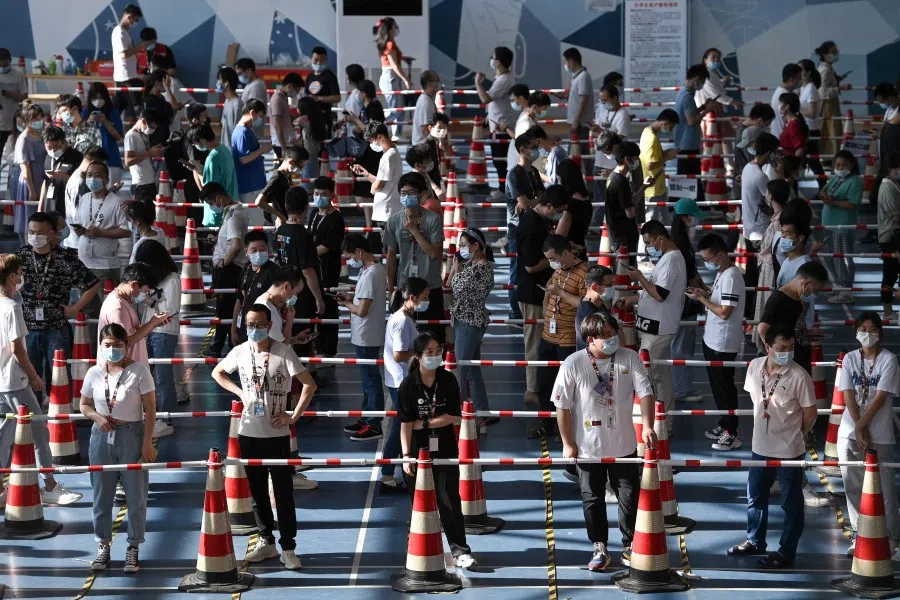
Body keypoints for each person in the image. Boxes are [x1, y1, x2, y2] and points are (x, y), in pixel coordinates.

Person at [212, 303, 316, 570]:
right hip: (248, 433)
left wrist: (293, 417)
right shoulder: (240, 352)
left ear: (269, 325)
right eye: (249, 325)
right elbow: (218, 372)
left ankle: (289, 547)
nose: (254, 330)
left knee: (282, 492)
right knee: (257, 493)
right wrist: (240, 393)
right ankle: (266, 541)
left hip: (277, 435)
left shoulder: (283, 352)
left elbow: (309, 385)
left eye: (259, 325)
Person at [554, 311, 657, 571]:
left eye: (614, 334)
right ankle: (599, 545)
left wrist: (647, 426)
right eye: (607, 337)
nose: (613, 340)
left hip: (624, 444)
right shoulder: (573, 363)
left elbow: (645, 392)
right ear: (590, 340)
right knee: (592, 497)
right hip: (588, 448)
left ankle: (630, 544)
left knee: (629, 495)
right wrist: (568, 442)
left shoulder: (629, 358)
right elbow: (562, 407)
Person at [726, 324, 816, 569]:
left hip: (789, 451)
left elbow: (811, 413)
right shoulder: (754, 367)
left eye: (790, 348)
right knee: (755, 498)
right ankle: (755, 541)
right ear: (767, 347)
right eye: (781, 348)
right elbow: (758, 400)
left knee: (791, 503)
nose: (786, 352)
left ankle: (787, 551)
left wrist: (796, 433)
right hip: (759, 447)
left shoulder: (800, 376)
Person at [0, 253, 82, 509]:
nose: (23, 276)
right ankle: (49, 485)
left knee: (4, 436)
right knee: (39, 430)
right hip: (15, 382)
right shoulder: (12, 308)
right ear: (12, 276)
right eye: (20, 272)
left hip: (2, 381)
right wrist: (35, 377)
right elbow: (18, 350)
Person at [80, 322, 156, 572]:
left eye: (118, 345)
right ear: (100, 346)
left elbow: (150, 409)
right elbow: (84, 405)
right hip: (101, 436)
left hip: (131, 435)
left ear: (127, 346)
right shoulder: (93, 373)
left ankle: (133, 546)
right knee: (102, 495)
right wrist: (98, 418)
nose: (113, 349)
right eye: (108, 345)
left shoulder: (139, 372)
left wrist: (147, 442)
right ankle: (103, 545)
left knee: (136, 496)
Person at [398, 331, 478, 570]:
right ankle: (418, 545)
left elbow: (453, 416)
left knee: (449, 499)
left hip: (444, 446)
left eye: (437, 351)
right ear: (418, 356)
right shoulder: (408, 385)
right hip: (416, 449)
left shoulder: (448, 380)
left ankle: (460, 550)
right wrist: (405, 456)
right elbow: (404, 423)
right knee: (420, 501)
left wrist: (423, 423)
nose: (435, 356)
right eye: (429, 352)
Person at [16, 212, 100, 398]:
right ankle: (34, 419)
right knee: (30, 377)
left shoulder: (66, 259)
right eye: (32, 232)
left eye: (40, 232)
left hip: (56, 328)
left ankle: (59, 416)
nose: (35, 236)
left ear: (52, 233)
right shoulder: (20, 257)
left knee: (59, 376)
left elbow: (92, 284)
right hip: (27, 328)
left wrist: (75, 308)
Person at [838, 311, 900, 559]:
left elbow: (880, 396)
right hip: (849, 434)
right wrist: (857, 428)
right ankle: (859, 534)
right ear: (856, 333)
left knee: (884, 490)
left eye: (873, 329)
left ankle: (892, 539)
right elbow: (848, 394)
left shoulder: (889, 360)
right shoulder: (850, 359)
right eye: (863, 329)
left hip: (880, 434)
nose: (868, 333)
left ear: (880, 333)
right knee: (853, 487)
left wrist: (862, 427)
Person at [626, 220, 687, 432]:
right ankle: (657, 421)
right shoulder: (666, 259)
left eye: (650, 242)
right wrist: (633, 300)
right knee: (653, 376)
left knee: (658, 377)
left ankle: (664, 423)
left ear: (660, 238)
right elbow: (652, 290)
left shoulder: (672, 261)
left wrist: (640, 277)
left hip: (659, 328)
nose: (649, 247)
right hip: (650, 326)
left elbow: (660, 294)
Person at [688, 234, 746, 450]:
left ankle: (732, 433)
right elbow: (719, 301)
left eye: (709, 258)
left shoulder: (732, 276)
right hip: (712, 339)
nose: (707, 263)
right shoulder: (723, 272)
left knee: (725, 389)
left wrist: (702, 299)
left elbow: (724, 312)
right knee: (718, 388)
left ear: (721, 254)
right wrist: (704, 293)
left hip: (723, 342)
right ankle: (724, 425)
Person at [533, 235, 589, 438]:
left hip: (568, 339)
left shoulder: (584, 273)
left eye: (553, 257)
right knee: (545, 382)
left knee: (568, 386)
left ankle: (566, 427)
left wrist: (561, 293)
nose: (550, 262)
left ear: (565, 253)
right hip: (548, 335)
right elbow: (552, 292)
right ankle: (546, 424)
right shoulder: (557, 270)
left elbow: (586, 305)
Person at [381, 277, 429, 494]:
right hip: (401, 381)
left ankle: (395, 471)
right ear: (412, 298)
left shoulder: (403, 318)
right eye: (424, 298)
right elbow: (399, 354)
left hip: (401, 380)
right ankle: (388, 475)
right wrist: (421, 352)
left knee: (401, 426)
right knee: (398, 429)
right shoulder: (401, 321)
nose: (426, 301)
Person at [338, 234, 387, 441]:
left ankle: (374, 423)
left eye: (350, 255)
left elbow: (363, 310)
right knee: (367, 380)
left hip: (367, 334)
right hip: (364, 334)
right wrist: (351, 299)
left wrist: (346, 305)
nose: (350, 260)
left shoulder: (372, 273)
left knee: (370, 381)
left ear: (359, 251)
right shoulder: (370, 269)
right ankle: (367, 417)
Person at [385, 172, 444, 340]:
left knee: (433, 338)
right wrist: (391, 289)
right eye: (403, 193)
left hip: (430, 288)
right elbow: (390, 257)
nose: (406, 197)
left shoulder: (433, 220)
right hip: (406, 289)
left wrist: (414, 230)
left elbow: (435, 253)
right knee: (405, 339)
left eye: (411, 193)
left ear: (422, 194)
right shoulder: (394, 220)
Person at [517, 191, 562, 406]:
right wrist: (557, 259)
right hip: (532, 293)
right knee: (533, 341)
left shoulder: (540, 221)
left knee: (542, 340)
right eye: (559, 211)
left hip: (543, 289)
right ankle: (532, 388)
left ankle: (541, 384)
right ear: (550, 206)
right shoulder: (530, 225)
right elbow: (531, 266)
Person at [449, 227, 495, 423]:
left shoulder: (481, 269)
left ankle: (456, 411)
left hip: (470, 323)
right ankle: (483, 411)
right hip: (464, 320)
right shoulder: (471, 265)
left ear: (476, 246)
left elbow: (455, 285)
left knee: (462, 368)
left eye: (464, 245)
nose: (461, 249)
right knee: (472, 369)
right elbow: (452, 282)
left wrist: (455, 268)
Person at [200, 182, 248, 357]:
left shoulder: (234, 216)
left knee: (225, 311)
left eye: (211, 202)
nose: (212, 206)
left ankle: (224, 348)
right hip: (230, 268)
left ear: (219, 198)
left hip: (229, 271)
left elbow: (235, 246)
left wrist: (224, 263)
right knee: (225, 310)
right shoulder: (231, 212)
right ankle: (221, 347)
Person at [758, 261, 829, 374]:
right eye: (815, 290)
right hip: (789, 365)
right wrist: (776, 355)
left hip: (799, 361)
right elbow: (763, 328)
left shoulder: (795, 298)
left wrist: (807, 332)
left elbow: (790, 326)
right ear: (806, 283)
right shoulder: (778, 299)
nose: (814, 294)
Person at [740, 132, 781, 320]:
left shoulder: (748, 169)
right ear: (770, 153)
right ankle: (755, 315)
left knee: (751, 276)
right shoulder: (760, 176)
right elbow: (773, 202)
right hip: (761, 232)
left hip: (749, 230)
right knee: (760, 278)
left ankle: (749, 313)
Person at [72, 161, 130, 289]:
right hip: (84, 262)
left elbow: (126, 231)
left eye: (97, 175)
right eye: (89, 175)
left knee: (105, 306)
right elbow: (79, 222)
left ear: (106, 179)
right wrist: (79, 230)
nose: (92, 178)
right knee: (87, 307)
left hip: (105, 265)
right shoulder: (84, 198)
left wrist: (101, 233)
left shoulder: (115, 202)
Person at [670, 198, 706, 405]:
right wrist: (701, 293)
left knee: (681, 345)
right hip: (685, 302)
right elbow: (690, 273)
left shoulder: (679, 238)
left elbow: (693, 271)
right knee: (682, 347)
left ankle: (681, 386)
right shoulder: (682, 243)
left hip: (683, 301)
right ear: (686, 218)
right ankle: (681, 389)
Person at [98, 262, 168, 366]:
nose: (145, 294)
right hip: (125, 373)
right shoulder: (117, 308)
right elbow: (126, 341)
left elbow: (131, 333)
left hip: (131, 370)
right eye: (145, 291)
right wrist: (152, 323)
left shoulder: (123, 301)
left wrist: (153, 324)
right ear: (134, 285)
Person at [752, 181, 793, 352]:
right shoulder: (776, 216)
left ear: (771, 195)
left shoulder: (779, 221)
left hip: (771, 269)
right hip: (767, 266)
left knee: (767, 309)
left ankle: (766, 345)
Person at [506, 133, 543, 320]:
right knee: (516, 268)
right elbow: (525, 203)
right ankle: (514, 311)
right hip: (517, 229)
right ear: (522, 150)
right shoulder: (514, 175)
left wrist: (531, 200)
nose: (536, 150)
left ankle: (526, 306)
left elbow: (540, 198)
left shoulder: (534, 172)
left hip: (534, 226)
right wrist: (533, 201)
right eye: (533, 147)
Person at [819, 149, 863, 304]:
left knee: (842, 257)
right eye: (837, 164)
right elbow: (824, 190)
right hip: (828, 223)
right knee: (831, 256)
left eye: (844, 165)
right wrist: (824, 196)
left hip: (843, 225)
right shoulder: (835, 177)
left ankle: (846, 289)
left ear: (851, 164)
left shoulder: (855, 180)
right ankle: (838, 285)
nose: (840, 167)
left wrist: (834, 202)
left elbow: (853, 203)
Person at [308, 177, 344, 358]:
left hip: (328, 269)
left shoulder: (336, 218)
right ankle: (316, 343)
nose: (319, 197)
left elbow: (328, 246)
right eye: (316, 194)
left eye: (323, 194)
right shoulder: (314, 214)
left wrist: (307, 254)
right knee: (315, 306)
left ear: (332, 195)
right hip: (313, 268)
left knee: (328, 306)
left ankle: (328, 349)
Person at [475, 46, 516, 200]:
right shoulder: (501, 79)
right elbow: (495, 103)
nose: (491, 60)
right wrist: (488, 115)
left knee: (500, 160)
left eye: (493, 57)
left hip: (502, 127)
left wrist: (478, 84)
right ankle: (504, 188)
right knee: (498, 158)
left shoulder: (504, 80)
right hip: (497, 125)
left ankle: (503, 189)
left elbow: (486, 98)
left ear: (498, 62)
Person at [352, 121, 401, 249]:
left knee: (387, 249)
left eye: (371, 140)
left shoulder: (388, 157)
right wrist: (366, 173)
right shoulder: (392, 153)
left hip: (386, 211)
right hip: (387, 209)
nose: (371, 144)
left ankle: (389, 269)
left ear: (380, 137)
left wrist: (373, 189)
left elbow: (378, 185)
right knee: (388, 248)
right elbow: (382, 180)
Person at [674, 65, 714, 206]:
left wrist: (702, 107)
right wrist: (707, 110)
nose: (702, 84)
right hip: (687, 144)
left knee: (689, 178)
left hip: (685, 143)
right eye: (702, 80)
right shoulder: (687, 96)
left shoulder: (684, 93)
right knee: (689, 179)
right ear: (697, 78)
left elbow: (688, 115)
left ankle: (690, 207)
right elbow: (691, 121)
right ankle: (688, 208)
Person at [590, 84, 631, 219]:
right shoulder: (602, 110)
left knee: (613, 199)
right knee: (598, 197)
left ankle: (607, 226)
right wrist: (595, 131)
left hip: (613, 163)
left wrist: (601, 132)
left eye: (605, 100)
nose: (603, 103)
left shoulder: (623, 114)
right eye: (601, 100)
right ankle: (597, 227)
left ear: (614, 98)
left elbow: (619, 139)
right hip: (599, 160)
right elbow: (595, 133)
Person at [230, 231, 278, 345]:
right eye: (254, 250)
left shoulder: (273, 272)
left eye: (262, 249)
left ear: (268, 249)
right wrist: (233, 328)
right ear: (246, 252)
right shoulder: (246, 268)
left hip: (264, 328)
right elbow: (239, 300)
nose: (259, 253)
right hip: (245, 326)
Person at [188, 122, 238, 227]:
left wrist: (196, 171)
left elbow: (208, 189)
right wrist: (200, 167)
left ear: (201, 140)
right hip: (231, 207)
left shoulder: (212, 158)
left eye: (194, 143)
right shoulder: (223, 149)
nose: (195, 146)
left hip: (218, 215)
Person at [605, 142, 647, 261]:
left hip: (618, 235)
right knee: (625, 274)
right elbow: (630, 213)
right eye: (636, 159)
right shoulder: (621, 183)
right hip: (624, 238)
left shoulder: (613, 176)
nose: (637, 162)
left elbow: (629, 201)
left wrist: (644, 187)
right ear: (628, 159)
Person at [639, 109, 680, 226]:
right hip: (652, 188)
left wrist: (666, 153)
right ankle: (649, 245)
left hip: (657, 186)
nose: (670, 130)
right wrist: (667, 158)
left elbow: (655, 157)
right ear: (665, 122)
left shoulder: (651, 133)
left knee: (664, 221)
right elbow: (649, 164)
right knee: (651, 223)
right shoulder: (650, 137)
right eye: (671, 127)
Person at [13, 101, 47, 243]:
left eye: (40, 117)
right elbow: (25, 169)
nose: (38, 121)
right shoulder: (24, 139)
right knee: (30, 218)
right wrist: (31, 190)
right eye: (34, 118)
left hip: (42, 179)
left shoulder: (40, 135)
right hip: (30, 182)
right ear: (27, 120)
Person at [231, 99, 270, 222]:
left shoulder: (246, 129)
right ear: (252, 112)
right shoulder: (242, 132)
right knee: (255, 222)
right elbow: (244, 159)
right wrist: (262, 150)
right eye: (260, 116)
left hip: (253, 184)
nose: (260, 120)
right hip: (250, 186)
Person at [374, 18, 411, 139]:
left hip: (392, 77)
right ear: (390, 29)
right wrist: (406, 79)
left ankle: (396, 136)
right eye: (394, 26)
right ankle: (375, 127)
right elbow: (393, 65)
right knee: (395, 110)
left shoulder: (390, 43)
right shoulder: (390, 44)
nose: (396, 29)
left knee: (400, 110)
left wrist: (403, 59)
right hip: (390, 78)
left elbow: (393, 61)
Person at [731, 105, 777, 202]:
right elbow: (753, 158)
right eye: (766, 125)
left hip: (743, 179)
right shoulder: (749, 136)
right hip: (746, 181)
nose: (766, 128)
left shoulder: (742, 129)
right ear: (760, 121)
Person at [254, 145, 308, 225]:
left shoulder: (287, 174)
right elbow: (259, 201)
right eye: (300, 167)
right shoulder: (277, 177)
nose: (301, 170)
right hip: (282, 224)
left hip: (289, 221)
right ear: (291, 162)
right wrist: (279, 216)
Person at [83, 83, 124, 184]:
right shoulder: (85, 112)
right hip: (90, 160)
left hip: (111, 159)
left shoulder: (113, 112)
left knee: (112, 192)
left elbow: (118, 137)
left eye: (101, 98)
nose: (98, 101)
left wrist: (106, 122)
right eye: (95, 98)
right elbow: (80, 136)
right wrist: (88, 122)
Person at [123, 107, 163, 209]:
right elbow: (128, 161)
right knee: (141, 217)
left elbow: (144, 154)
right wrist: (149, 153)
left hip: (150, 181)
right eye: (151, 127)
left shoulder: (143, 134)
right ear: (144, 121)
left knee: (150, 217)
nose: (152, 130)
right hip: (140, 184)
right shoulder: (131, 136)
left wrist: (153, 151)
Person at [37, 124, 81, 214]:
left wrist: (64, 176)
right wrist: (40, 207)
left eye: (56, 146)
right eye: (49, 147)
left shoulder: (76, 157)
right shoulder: (48, 157)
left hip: (68, 206)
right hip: (49, 204)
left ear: (63, 141)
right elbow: (45, 182)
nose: (53, 150)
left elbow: (82, 183)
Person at [816, 41, 850, 157]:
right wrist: (841, 87)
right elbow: (823, 92)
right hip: (828, 105)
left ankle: (831, 157)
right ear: (825, 55)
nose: (836, 54)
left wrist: (838, 79)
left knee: (832, 131)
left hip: (830, 104)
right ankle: (833, 158)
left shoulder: (827, 68)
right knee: (832, 132)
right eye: (833, 52)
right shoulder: (825, 70)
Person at [111, 4, 146, 117]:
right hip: (125, 78)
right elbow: (123, 54)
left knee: (120, 108)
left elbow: (130, 51)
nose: (135, 23)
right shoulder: (119, 32)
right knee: (137, 109)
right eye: (135, 20)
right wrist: (140, 46)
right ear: (129, 17)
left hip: (130, 75)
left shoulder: (126, 32)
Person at [877, 154, 900, 318]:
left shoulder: (894, 185)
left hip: (894, 235)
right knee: (890, 273)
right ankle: (887, 310)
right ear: (892, 169)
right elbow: (897, 215)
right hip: (891, 237)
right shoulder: (887, 188)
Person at [503, 91, 550, 172]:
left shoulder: (531, 115)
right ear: (535, 107)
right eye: (544, 109)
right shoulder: (525, 123)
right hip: (520, 162)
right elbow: (522, 144)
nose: (544, 112)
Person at [554, 160, 593, 255]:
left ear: (566, 179)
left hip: (569, 253)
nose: (558, 183)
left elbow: (559, 237)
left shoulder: (571, 205)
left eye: (560, 179)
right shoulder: (586, 198)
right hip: (581, 248)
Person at [797, 59, 825, 187]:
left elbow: (812, 113)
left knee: (813, 162)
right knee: (811, 161)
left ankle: (823, 187)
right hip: (805, 129)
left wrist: (796, 108)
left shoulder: (811, 89)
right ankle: (823, 187)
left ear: (808, 72)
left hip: (811, 130)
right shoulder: (803, 88)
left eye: (801, 69)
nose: (798, 73)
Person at [575, 265, 616, 352]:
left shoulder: (597, 304)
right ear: (594, 287)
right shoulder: (588, 313)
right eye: (609, 285)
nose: (613, 287)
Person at [561, 48, 593, 151]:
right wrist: (563, 96)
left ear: (571, 61)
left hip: (581, 124)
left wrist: (575, 121)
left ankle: (586, 168)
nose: (565, 64)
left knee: (582, 152)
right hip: (577, 124)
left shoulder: (583, 77)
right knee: (576, 151)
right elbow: (576, 97)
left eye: (565, 61)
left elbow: (583, 100)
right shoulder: (576, 77)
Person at [305, 47, 341, 138]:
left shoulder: (330, 76)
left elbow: (337, 97)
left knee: (323, 146)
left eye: (322, 61)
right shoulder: (309, 76)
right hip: (309, 118)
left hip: (324, 117)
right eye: (316, 60)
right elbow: (305, 94)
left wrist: (319, 98)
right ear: (311, 59)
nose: (318, 63)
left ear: (326, 60)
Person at [269, 73, 303, 165]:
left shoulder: (282, 98)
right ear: (289, 86)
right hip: (281, 144)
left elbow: (285, 119)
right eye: (296, 90)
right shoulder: (277, 100)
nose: (296, 94)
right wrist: (284, 148)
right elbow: (277, 125)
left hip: (286, 142)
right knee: (285, 172)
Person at [140, 69, 179, 149]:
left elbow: (172, 111)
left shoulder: (161, 98)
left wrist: (174, 109)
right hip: (154, 141)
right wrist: (167, 88)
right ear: (157, 83)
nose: (167, 85)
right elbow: (174, 106)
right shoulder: (149, 100)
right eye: (165, 83)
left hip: (163, 137)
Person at [0, 48, 28, 155]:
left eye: (5, 61)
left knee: (17, 151)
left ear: (10, 61)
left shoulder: (18, 75)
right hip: (0, 121)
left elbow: (25, 97)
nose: (2, 65)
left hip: (14, 119)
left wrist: (12, 95)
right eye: (0, 62)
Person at [874, 83, 900, 195]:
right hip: (885, 153)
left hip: (894, 155)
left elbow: (893, 126)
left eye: (882, 101)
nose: (881, 104)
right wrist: (878, 133)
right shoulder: (889, 109)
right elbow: (886, 127)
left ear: (890, 97)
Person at [234, 58, 268, 138]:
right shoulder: (251, 85)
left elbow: (255, 110)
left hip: (252, 131)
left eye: (240, 73)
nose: (239, 77)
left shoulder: (256, 86)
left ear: (249, 70)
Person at [769, 64, 802, 139]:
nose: (801, 81)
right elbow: (787, 121)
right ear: (791, 80)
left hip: (780, 137)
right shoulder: (785, 96)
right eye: (799, 78)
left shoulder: (780, 91)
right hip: (784, 140)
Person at [217, 67, 244, 148]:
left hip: (233, 152)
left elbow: (239, 132)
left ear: (226, 83)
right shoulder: (227, 102)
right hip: (226, 150)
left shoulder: (238, 105)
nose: (218, 83)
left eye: (219, 79)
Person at [412, 70, 440, 146]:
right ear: (429, 84)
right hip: (423, 147)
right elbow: (425, 129)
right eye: (436, 82)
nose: (437, 86)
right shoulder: (426, 102)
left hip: (422, 145)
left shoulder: (426, 99)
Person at [777, 92, 808, 159]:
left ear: (787, 107)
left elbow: (800, 149)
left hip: (791, 165)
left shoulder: (793, 125)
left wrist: (793, 165)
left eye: (780, 103)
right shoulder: (790, 123)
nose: (778, 106)